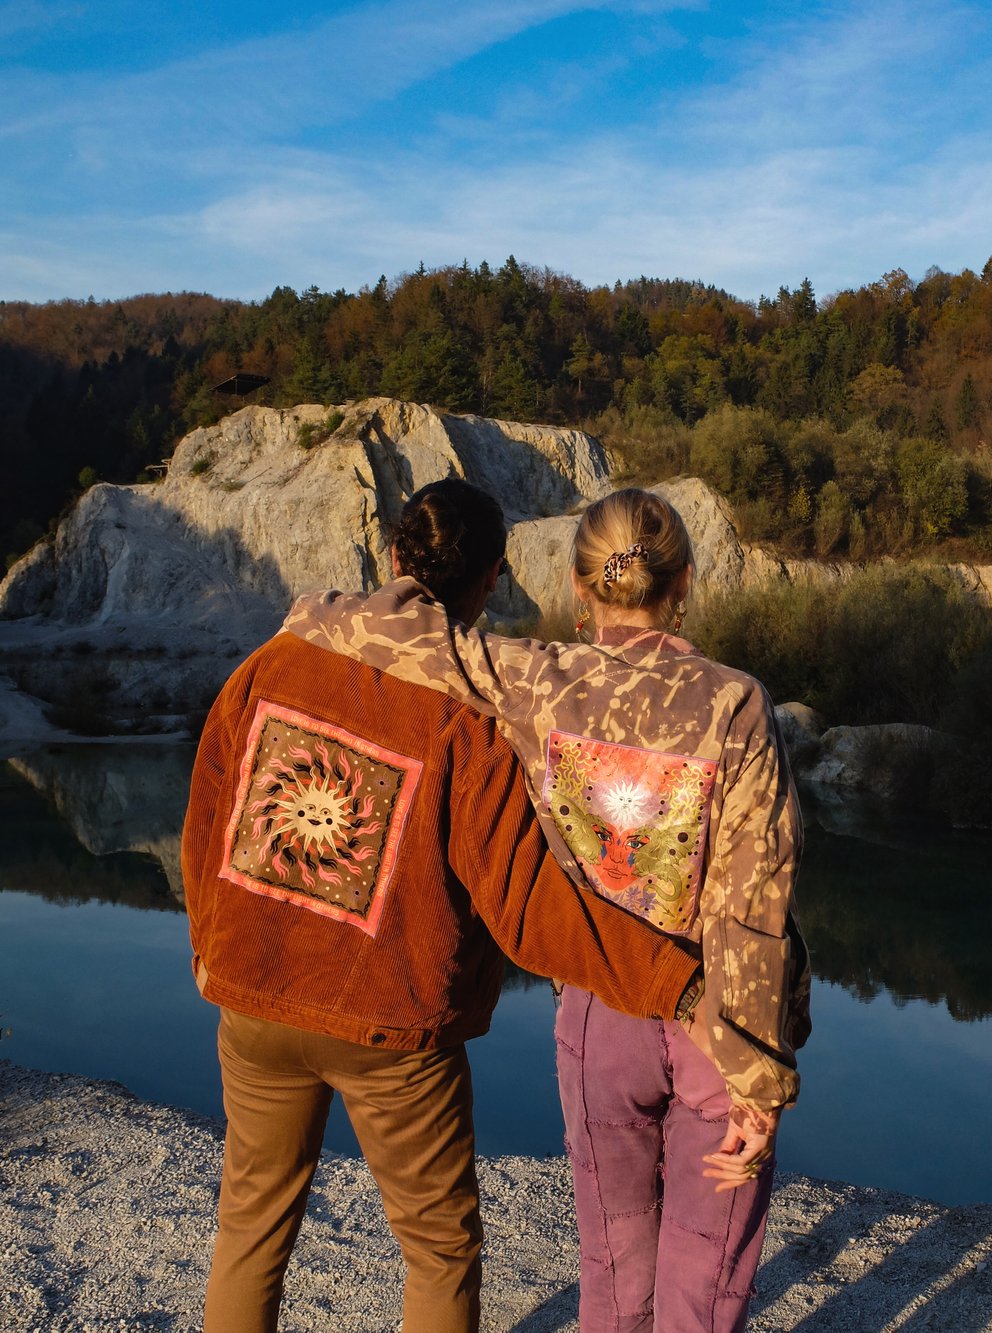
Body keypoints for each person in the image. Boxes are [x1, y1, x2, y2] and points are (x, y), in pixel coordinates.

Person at [285, 486, 811, 1333]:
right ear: (682, 586)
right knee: (702, 1287)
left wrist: (314, 608)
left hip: (598, 1010)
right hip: (717, 1017)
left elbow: (383, 633)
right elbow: (756, 897)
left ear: (577, 588)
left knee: (611, 1267)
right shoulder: (735, 704)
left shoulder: (534, 678)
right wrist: (757, 1078)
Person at [181, 479, 703, 1333]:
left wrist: (212, 949)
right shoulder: (466, 717)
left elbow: (207, 817)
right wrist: (672, 978)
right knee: (439, 1248)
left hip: (256, 996)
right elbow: (530, 904)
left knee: (248, 1228)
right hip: (391, 1029)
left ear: (392, 556)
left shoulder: (273, 662)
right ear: (492, 581)